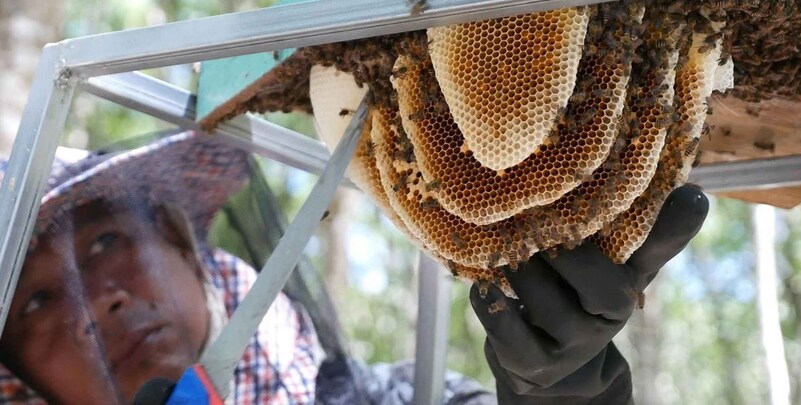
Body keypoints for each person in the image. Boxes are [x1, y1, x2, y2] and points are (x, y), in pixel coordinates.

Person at [0, 131, 708, 404]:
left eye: (102, 244)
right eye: (34, 301)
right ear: (17, 373)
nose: (100, 302)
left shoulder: (399, 398)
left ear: (181, 244)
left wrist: (561, 397)